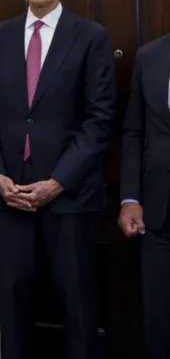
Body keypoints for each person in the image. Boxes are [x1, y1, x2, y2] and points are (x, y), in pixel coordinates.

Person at [0, 0, 116, 359]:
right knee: (14, 304)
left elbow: (99, 119)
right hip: (8, 197)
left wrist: (58, 181)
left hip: (68, 197)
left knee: (77, 305)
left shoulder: (90, 38)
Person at [119, 32, 170, 358]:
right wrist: (129, 199)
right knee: (159, 323)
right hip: (158, 212)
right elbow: (134, 131)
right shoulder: (149, 55)